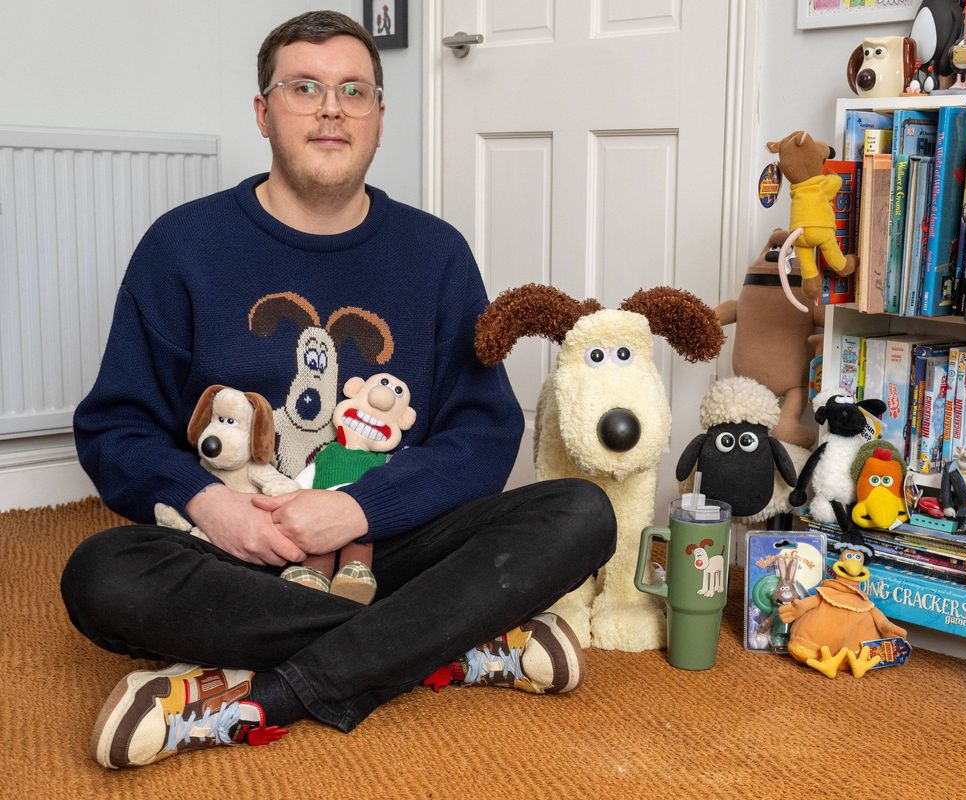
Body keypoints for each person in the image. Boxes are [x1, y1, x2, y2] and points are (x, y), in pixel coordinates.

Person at [61, 10, 615, 770]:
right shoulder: (181, 246)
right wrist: (213, 506)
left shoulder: (436, 254)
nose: (330, 108)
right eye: (304, 88)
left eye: (354, 90)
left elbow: (483, 435)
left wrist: (353, 508)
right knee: (100, 575)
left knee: (581, 512)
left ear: (379, 118)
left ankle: (258, 698)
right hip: (235, 551)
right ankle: (457, 641)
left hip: (385, 548)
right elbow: (115, 428)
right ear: (263, 112)